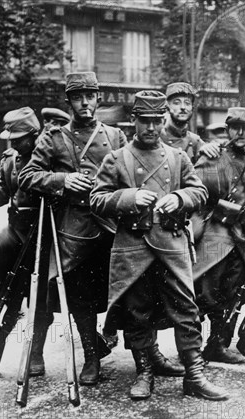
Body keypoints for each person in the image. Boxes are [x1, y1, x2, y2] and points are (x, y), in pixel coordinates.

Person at [90, 90, 228, 400]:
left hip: (171, 243)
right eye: (145, 122)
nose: (152, 128)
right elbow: (96, 199)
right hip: (134, 246)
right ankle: (144, 373)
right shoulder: (117, 158)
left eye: (157, 121)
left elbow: (200, 192)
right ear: (133, 121)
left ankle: (194, 374)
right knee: (136, 312)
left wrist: (179, 198)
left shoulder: (177, 157)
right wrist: (128, 198)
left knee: (186, 309)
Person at [19, 72, 127, 386]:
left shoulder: (116, 136)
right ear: (69, 101)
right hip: (71, 231)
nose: (84, 103)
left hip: (108, 226)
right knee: (80, 296)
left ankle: (139, 355)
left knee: (127, 287)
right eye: (78, 97)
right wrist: (62, 181)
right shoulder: (54, 137)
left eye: (90, 96)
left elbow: (127, 178)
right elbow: (28, 176)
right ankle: (91, 358)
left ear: (98, 99)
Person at [0, 107, 51, 376]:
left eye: (20, 138)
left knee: (41, 298)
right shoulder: (9, 158)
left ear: (35, 136)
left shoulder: (46, 158)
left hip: (43, 232)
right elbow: (2, 189)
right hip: (16, 229)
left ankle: (36, 353)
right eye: (11, 138)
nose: (14, 143)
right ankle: (15, 303)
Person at [191, 107, 245, 364]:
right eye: (235, 128)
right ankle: (192, 351)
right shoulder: (213, 156)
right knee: (204, 293)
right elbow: (194, 192)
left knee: (232, 292)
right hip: (214, 235)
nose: (240, 133)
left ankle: (215, 344)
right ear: (228, 130)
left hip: (239, 236)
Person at [161, 82, 219, 163]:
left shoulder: (196, 142)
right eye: (176, 103)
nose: (183, 107)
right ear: (167, 106)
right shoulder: (158, 137)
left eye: (187, 103)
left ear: (192, 108)